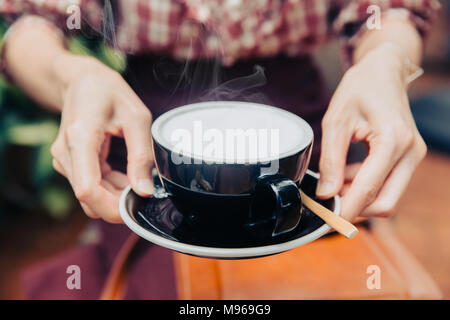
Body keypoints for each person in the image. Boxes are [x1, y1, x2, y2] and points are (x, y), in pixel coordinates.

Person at [0, 0, 440, 299]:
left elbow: (389, 10)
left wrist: (386, 60)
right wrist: (72, 76)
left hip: (301, 140)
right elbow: (29, 21)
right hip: (147, 138)